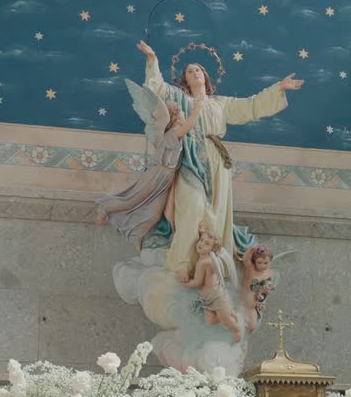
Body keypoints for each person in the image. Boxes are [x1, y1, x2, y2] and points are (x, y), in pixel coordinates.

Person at [135, 40, 303, 273]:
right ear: (185, 80)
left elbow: (251, 106)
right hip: (190, 157)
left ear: (205, 76)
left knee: (218, 212)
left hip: (217, 158)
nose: (194, 72)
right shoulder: (181, 99)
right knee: (191, 207)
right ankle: (182, 265)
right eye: (189, 71)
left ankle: (213, 269)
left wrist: (279, 88)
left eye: (198, 70)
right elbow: (157, 88)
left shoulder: (220, 104)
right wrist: (152, 60)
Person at [96, 86, 200, 251]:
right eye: (180, 112)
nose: (182, 115)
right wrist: (197, 108)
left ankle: (137, 235)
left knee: (154, 214)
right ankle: (105, 207)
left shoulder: (179, 134)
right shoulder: (173, 133)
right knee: (132, 201)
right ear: (174, 116)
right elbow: (189, 125)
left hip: (166, 179)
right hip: (157, 174)